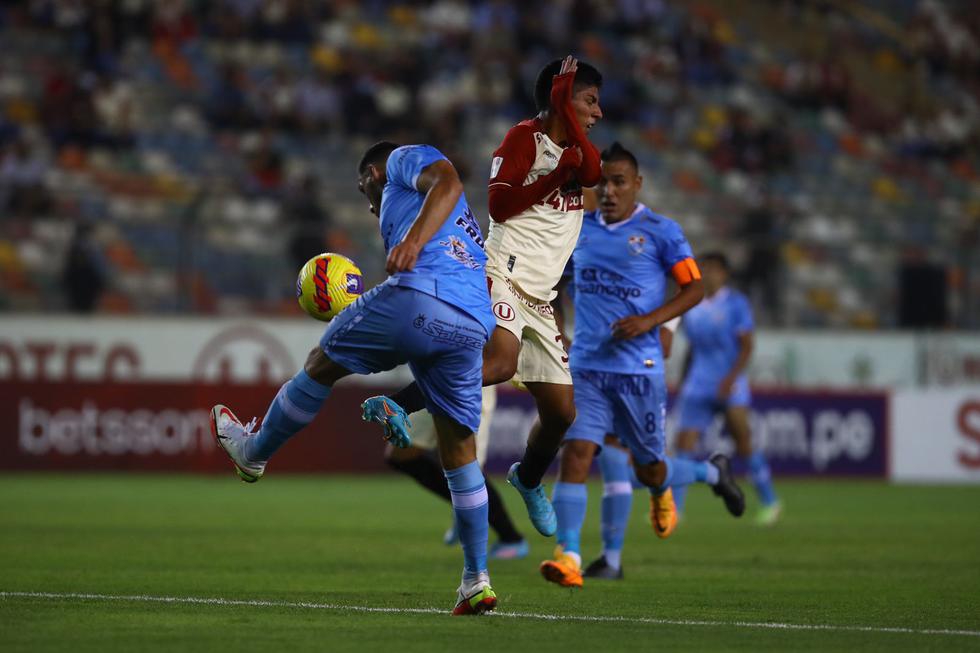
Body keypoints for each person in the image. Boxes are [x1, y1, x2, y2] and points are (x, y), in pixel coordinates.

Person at [211, 142, 499, 615]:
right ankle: (475, 579)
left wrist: (411, 244)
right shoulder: (454, 222)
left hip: (420, 297)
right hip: (469, 326)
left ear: (371, 172)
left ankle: (253, 452)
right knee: (458, 450)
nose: (367, 197)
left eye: (363, 185)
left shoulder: (403, 159)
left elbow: (448, 180)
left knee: (321, 364)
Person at [361, 55, 603, 537]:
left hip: (542, 295)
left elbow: (592, 175)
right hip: (503, 273)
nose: (598, 112)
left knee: (561, 414)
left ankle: (528, 478)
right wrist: (558, 176)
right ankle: (398, 404)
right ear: (562, 97)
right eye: (590, 100)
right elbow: (499, 204)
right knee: (500, 363)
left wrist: (573, 152)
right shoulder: (522, 139)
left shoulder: (578, 149)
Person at [539, 142, 745, 589]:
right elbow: (552, 287)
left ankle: (710, 472)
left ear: (637, 185)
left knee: (648, 468)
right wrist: (559, 334)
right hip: (588, 366)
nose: (609, 191)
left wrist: (652, 323)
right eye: (602, 183)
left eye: (618, 182)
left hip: (639, 370)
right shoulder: (578, 231)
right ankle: (569, 555)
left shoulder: (661, 231)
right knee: (576, 454)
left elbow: (693, 289)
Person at [673, 252, 781, 526]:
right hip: (698, 382)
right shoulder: (692, 302)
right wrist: (686, 378)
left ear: (725, 274)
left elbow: (747, 345)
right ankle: (675, 510)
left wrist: (731, 377)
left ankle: (769, 501)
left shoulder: (736, 304)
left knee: (743, 442)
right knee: (683, 446)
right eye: (703, 268)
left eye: (713, 269)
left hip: (730, 383)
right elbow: (692, 349)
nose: (707, 273)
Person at [384, 385, 530, 559]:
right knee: (401, 455)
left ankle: (511, 537)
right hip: (430, 383)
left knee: (467, 468)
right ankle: (462, 505)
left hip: (468, 384)